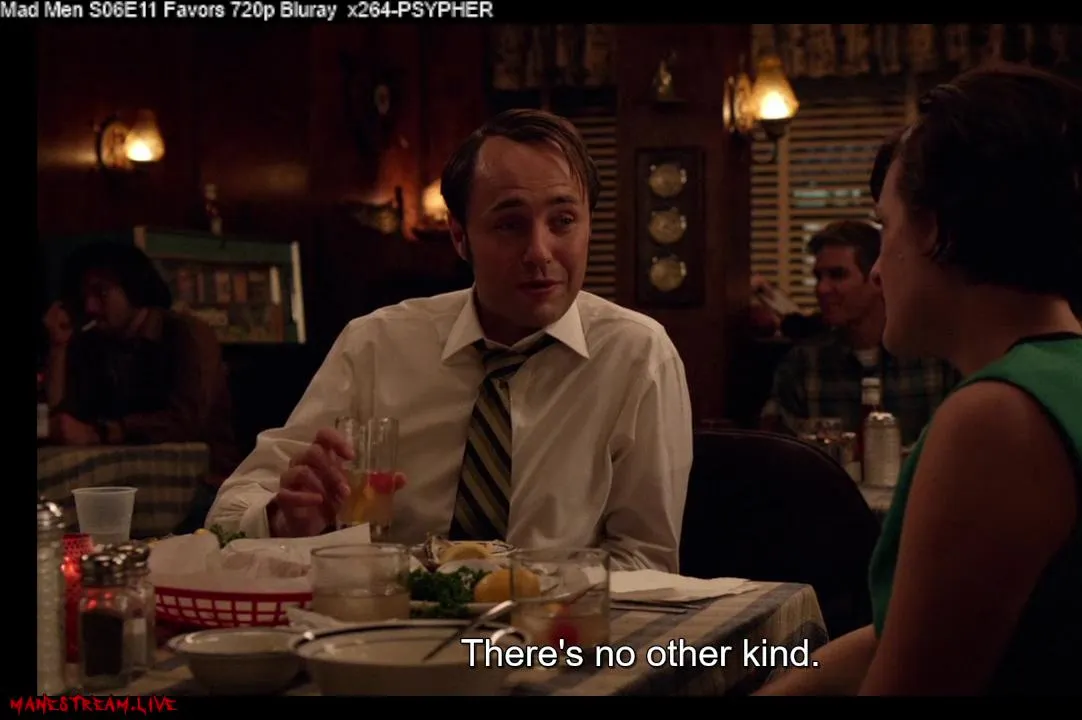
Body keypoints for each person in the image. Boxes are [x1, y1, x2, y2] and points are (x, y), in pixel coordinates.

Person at [757, 64, 1082, 695]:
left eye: (887, 228)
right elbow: (912, 631)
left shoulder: (999, 417)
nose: (877, 272)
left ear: (937, 229)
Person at [208, 109, 694, 572]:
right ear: (460, 237)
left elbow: (646, 560)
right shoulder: (377, 345)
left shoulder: (636, 355)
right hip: (388, 615)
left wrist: (529, 591)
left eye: (563, 221)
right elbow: (227, 516)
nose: (539, 252)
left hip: (554, 623)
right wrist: (282, 520)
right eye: (509, 224)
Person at [43, 241, 238, 533]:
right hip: (125, 481)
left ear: (133, 287)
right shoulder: (95, 344)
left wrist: (102, 432)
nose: (90, 307)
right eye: (85, 296)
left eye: (101, 292)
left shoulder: (186, 333)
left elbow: (188, 420)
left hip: (203, 482)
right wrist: (59, 347)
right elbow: (65, 416)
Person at [760, 220, 957, 445]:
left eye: (837, 275)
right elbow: (775, 446)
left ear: (877, 280)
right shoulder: (804, 364)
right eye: (818, 277)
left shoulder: (932, 359)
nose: (822, 288)